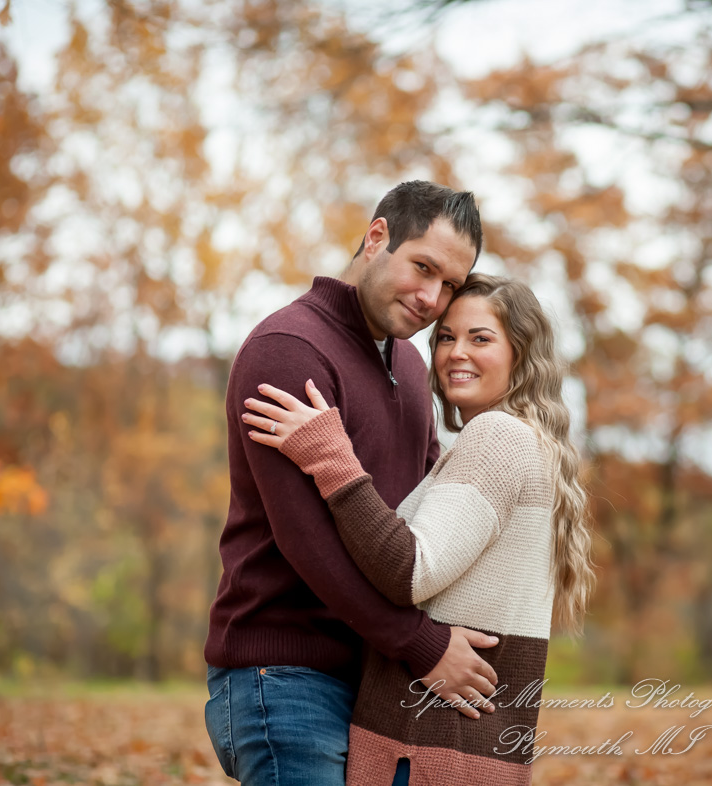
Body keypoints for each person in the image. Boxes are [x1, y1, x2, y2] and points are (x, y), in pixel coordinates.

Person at [204, 182, 504, 786]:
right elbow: (305, 544)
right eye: (423, 268)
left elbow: (420, 530)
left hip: (378, 676)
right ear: (377, 238)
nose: (431, 298)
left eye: (449, 285)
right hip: (285, 674)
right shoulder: (289, 349)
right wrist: (423, 645)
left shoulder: (412, 367)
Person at [243, 274, 596, 785]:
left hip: (427, 750)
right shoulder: (525, 445)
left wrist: (332, 457)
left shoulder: (496, 437)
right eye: (447, 337)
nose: (456, 353)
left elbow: (410, 570)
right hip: (466, 755)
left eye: (481, 338)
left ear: (522, 353)